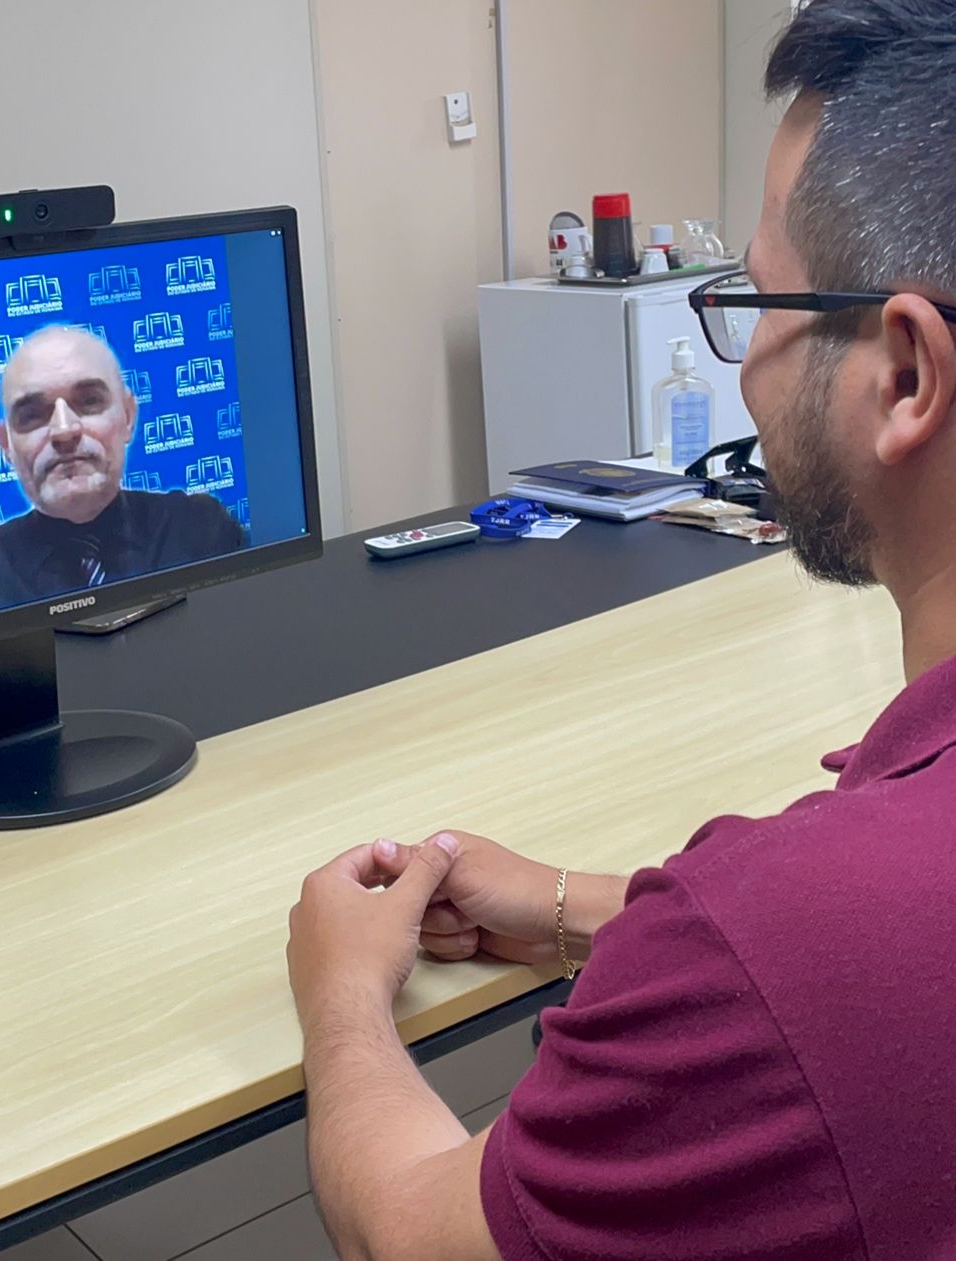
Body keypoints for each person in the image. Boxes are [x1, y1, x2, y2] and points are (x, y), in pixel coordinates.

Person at [286, 3, 956, 1258]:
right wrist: (572, 905)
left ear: (907, 376)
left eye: (760, 298)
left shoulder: (794, 930)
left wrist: (342, 1001)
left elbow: (418, 1230)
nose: (745, 358)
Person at [0, 325, 244, 632]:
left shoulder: (205, 532)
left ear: (128, 417)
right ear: (6, 446)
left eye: (89, 401)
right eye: (32, 414)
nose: (64, 430)